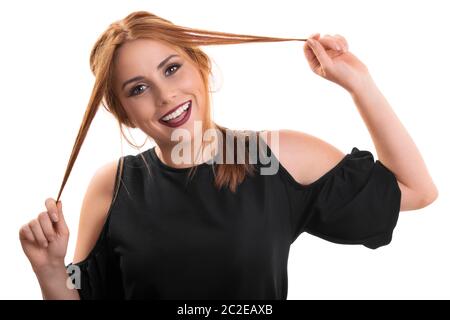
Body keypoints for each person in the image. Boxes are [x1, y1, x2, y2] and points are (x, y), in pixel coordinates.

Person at [19, 11, 438, 300]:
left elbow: (415, 190)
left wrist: (359, 84)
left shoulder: (275, 157)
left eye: (171, 68)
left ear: (200, 65)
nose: (166, 96)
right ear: (124, 113)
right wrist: (49, 269)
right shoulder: (113, 185)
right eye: (138, 88)